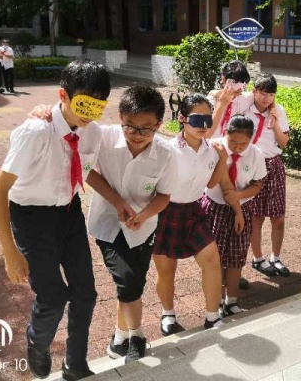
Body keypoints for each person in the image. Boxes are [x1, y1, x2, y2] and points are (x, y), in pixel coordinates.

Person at [0, 60, 110, 381]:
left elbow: (88, 169)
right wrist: (9, 252)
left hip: (69, 212)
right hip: (31, 218)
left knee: (85, 293)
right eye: (83, 104)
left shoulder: (93, 131)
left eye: (97, 106)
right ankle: (37, 342)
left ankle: (75, 363)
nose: (89, 113)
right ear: (63, 95)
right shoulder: (36, 132)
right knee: (53, 297)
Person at [77, 85, 177, 364]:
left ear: (159, 125)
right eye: (130, 127)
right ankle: (138, 336)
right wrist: (117, 201)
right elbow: (86, 169)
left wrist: (143, 216)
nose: (138, 135)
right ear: (120, 118)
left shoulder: (166, 154)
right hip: (108, 222)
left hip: (144, 226)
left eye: (147, 129)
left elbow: (164, 195)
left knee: (133, 286)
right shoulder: (103, 137)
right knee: (128, 279)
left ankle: (119, 336)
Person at [152, 94, 229, 336]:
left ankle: (212, 316)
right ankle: (168, 313)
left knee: (212, 259)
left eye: (208, 119)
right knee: (167, 269)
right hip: (165, 212)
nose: (203, 125)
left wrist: (223, 159)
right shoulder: (167, 149)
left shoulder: (212, 150)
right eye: (197, 119)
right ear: (183, 119)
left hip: (195, 210)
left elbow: (212, 183)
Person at [200, 114, 267, 317]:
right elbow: (221, 184)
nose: (237, 148)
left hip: (243, 207)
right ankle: (217, 300)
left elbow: (257, 184)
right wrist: (233, 199)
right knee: (215, 257)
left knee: (236, 257)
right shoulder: (214, 148)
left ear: (251, 139)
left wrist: (239, 196)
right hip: (216, 207)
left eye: (243, 144)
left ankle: (231, 300)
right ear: (225, 133)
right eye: (233, 142)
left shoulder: (256, 154)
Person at [245, 73, 292, 277]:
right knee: (256, 216)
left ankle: (276, 257)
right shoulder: (245, 108)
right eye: (263, 93)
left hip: (274, 165)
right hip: (253, 166)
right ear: (254, 91)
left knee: (278, 217)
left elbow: (284, 143)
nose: (266, 98)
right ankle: (258, 258)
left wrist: (275, 124)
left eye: (271, 94)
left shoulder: (278, 111)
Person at [205, 60, 255, 139]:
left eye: (244, 82)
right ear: (224, 79)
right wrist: (221, 105)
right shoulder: (211, 101)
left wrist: (273, 109)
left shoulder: (246, 99)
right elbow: (206, 134)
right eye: (235, 82)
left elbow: (266, 95)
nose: (240, 87)